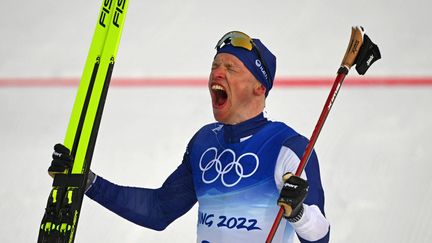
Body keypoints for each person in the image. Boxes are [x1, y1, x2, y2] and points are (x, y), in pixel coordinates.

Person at [49, 31, 330, 242]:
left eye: (231, 68)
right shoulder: (204, 142)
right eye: (214, 66)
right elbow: (159, 210)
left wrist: (297, 212)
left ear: (259, 87)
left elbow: (320, 237)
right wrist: (89, 183)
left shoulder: (287, 147)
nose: (217, 73)